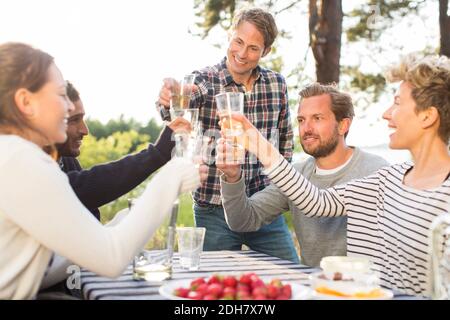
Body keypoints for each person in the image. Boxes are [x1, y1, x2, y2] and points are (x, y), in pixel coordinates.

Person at [219, 54, 450, 297]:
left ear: (427, 116)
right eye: (302, 120)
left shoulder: (423, 186)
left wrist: (260, 145)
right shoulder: (388, 179)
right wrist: (254, 151)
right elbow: (318, 202)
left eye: (398, 103)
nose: (386, 113)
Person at [0, 42, 201, 299]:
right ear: (26, 102)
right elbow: (111, 259)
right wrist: (173, 176)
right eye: (61, 95)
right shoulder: (21, 160)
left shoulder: (12, 154)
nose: (68, 107)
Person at [157, 7, 298, 262]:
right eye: (238, 42)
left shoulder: (277, 84)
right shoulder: (207, 79)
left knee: (292, 279)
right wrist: (174, 95)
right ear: (230, 36)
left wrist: (280, 190)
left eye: (253, 48)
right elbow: (188, 94)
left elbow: (286, 141)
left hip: (264, 209)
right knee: (214, 286)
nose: (242, 54)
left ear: (265, 51)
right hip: (214, 211)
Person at [217, 83, 389, 267]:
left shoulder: (375, 169)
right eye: (301, 120)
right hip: (314, 288)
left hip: (363, 289)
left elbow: (318, 203)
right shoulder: (296, 174)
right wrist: (232, 178)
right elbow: (243, 221)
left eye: (317, 118)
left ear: (343, 125)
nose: (306, 129)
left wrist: (260, 147)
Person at [56, 81, 189, 220]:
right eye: (74, 120)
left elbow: (87, 206)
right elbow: (80, 188)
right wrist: (158, 153)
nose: (85, 130)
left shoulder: (66, 161)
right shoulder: (36, 170)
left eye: (82, 119)